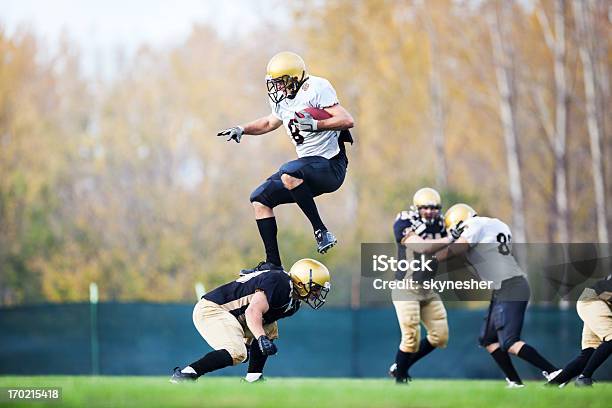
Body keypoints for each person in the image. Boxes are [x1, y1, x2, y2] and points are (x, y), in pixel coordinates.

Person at [217, 51, 354, 274]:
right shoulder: (282, 99)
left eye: (281, 82)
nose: (278, 88)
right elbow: (270, 122)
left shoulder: (317, 87)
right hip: (306, 171)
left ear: (294, 78)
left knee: (289, 172)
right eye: (275, 83)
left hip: (331, 166)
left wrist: (317, 125)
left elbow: (348, 120)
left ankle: (321, 231)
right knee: (259, 198)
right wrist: (242, 129)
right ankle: (273, 263)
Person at [421, 203, 561, 388]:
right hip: (505, 286)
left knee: (510, 341)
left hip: (510, 285)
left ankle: (553, 372)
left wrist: (433, 259)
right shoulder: (495, 225)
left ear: (458, 222)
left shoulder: (474, 225)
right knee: (488, 339)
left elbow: (459, 248)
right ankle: (514, 381)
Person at [170, 258, 331, 383]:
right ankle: (186, 375)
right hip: (213, 310)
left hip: (233, 315)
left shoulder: (293, 304)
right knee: (236, 352)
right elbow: (253, 311)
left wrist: (255, 341)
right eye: (316, 288)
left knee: (270, 327)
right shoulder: (281, 282)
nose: (316, 294)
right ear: (302, 280)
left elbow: (261, 320)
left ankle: (253, 379)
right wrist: (260, 339)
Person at [389, 187, 449, 383]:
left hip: (427, 288)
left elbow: (442, 255)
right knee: (411, 337)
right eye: (425, 207)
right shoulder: (405, 220)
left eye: (434, 208)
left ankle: (401, 367)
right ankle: (400, 378)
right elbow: (421, 247)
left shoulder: (442, 224)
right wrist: (451, 237)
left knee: (440, 336)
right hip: (406, 287)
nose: (430, 211)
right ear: (416, 207)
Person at [547, 273, 612, 387]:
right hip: (594, 301)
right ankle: (584, 378)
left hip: (591, 299)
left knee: (589, 354)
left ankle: (550, 387)